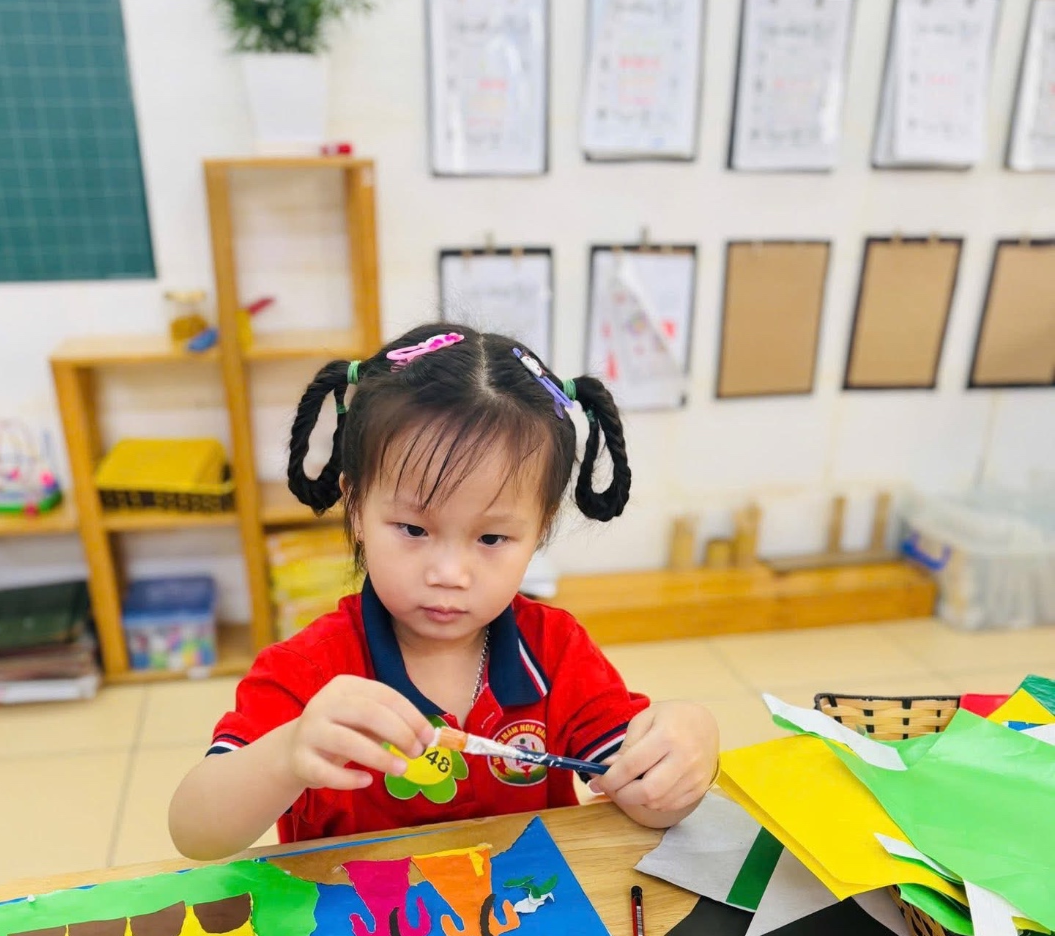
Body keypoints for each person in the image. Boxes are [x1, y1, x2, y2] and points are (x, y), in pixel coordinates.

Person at [169, 325, 718, 860]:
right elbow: (195, 834)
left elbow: (646, 802)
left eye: (492, 538)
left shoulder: (556, 651)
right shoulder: (309, 671)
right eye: (413, 529)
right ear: (356, 508)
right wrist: (287, 755)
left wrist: (688, 751)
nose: (450, 573)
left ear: (541, 528)